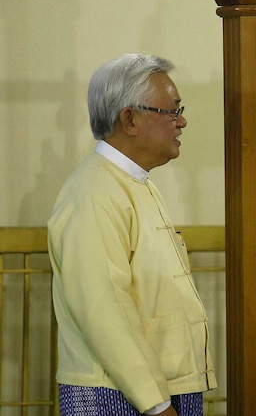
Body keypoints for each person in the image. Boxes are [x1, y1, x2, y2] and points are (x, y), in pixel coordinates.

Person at [47, 54, 216, 416]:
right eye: (172, 111)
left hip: (158, 388)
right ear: (130, 118)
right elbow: (102, 308)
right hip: (117, 393)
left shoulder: (133, 184)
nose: (182, 121)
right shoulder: (94, 193)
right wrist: (155, 404)